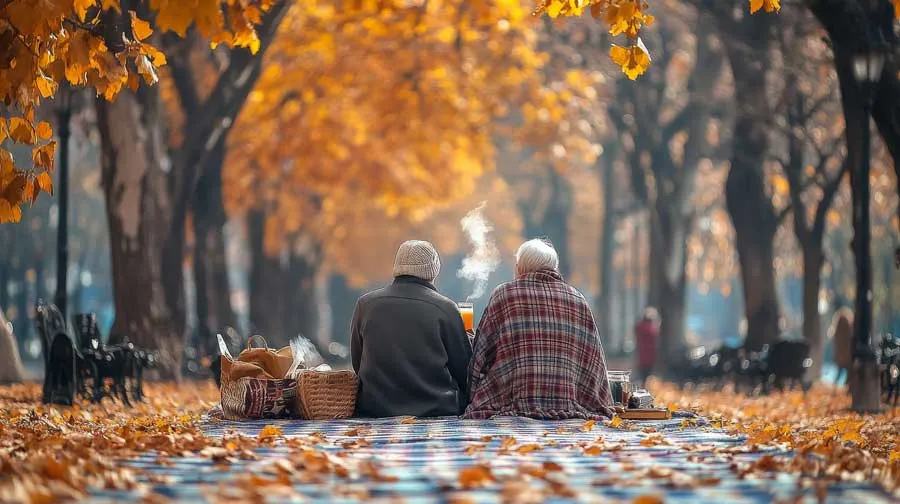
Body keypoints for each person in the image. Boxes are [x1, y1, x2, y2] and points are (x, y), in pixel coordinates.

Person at [465, 239, 615, 420]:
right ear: (554, 268)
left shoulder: (505, 294)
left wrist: (470, 395)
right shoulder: (578, 299)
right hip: (568, 401)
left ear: (519, 268)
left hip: (511, 401)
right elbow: (594, 360)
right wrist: (603, 402)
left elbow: (481, 353)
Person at [351, 240, 472, 417]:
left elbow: (357, 361)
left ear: (397, 267)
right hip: (437, 407)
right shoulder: (446, 308)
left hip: (375, 407)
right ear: (433, 269)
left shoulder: (365, 305)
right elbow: (464, 371)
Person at [634, 307, 659, 384]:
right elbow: (654, 333)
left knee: (643, 376)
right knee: (647, 376)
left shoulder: (639, 326)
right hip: (649, 357)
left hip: (641, 356)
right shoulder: (650, 328)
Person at [829, 307, 853, 385]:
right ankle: (846, 387)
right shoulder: (848, 332)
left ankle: (835, 387)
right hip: (847, 357)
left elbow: (836, 347)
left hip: (840, 357)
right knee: (849, 372)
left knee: (839, 373)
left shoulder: (836, 333)